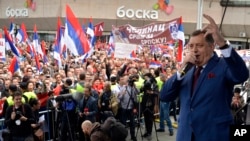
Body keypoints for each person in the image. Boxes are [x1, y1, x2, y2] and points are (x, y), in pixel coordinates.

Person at [160, 14, 249, 141]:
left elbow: (241, 75)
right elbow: (164, 96)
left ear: (212, 47)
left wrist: (223, 44)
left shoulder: (223, 65)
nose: (194, 50)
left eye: (199, 46)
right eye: (191, 46)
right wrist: (180, 72)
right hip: (185, 136)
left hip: (214, 135)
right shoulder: (187, 71)